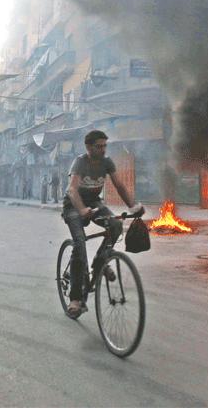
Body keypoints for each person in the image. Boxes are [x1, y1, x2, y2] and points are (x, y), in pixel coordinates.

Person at [62, 130, 141, 319]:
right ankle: (75, 299)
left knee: (114, 226)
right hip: (73, 206)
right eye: (99, 146)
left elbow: (119, 185)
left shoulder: (107, 162)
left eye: (105, 145)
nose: (103, 149)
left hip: (94, 203)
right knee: (79, 245)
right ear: (88, 147)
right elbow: (72, 190)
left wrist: (133, 206)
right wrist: (81, 210)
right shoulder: (80, 162)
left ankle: (100, 264)